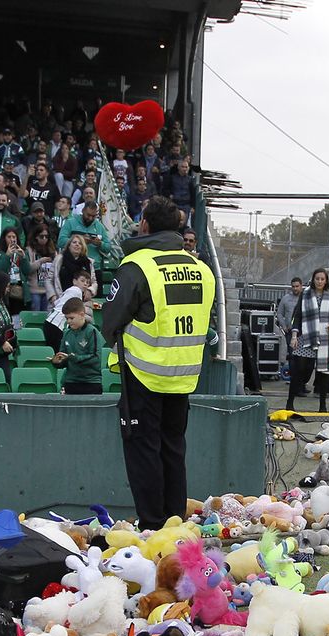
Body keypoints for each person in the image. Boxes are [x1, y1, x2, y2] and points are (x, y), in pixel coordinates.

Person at [100, 194, 216, 530]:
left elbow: (110, 322)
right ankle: (175, 523)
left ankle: (152, 527)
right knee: (173, 449)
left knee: (143, 452)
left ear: (146, 225)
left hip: (143, 374)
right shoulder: (201, 269)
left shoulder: (137, 267)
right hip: (183, 377)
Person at [287, 268, 329, 412]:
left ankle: (322, 406)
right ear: (313, 279)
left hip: (324, 338)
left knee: (323, 373)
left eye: (322, 279)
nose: (320, 281)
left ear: (326, 280)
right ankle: (290, 402)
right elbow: (297, 315)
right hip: (307, 336)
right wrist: (295, 335)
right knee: (299, 370)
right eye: (317, 279)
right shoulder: (306, 293)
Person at [54, 295, 105, 395]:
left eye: (71, 318)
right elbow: (63, 357)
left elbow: (96, 358)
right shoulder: (67, 333)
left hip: (91, 383)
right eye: (66, 318)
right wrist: (57, 362)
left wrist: (74, 358)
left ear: (82, 315)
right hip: (71, 382)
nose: (68, 321)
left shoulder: (92, 332)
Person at [275, 277, 304, 390]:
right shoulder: (286, 299)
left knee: (303, 359)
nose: (295, 288)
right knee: (292, 356)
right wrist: (284, 326)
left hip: (303, 332)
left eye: (297, 286)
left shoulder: (305, 298)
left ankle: (302, 383)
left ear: (301, 286)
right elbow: (279, 313)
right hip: (290, 332)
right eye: (293, 286)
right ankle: (294, 381)